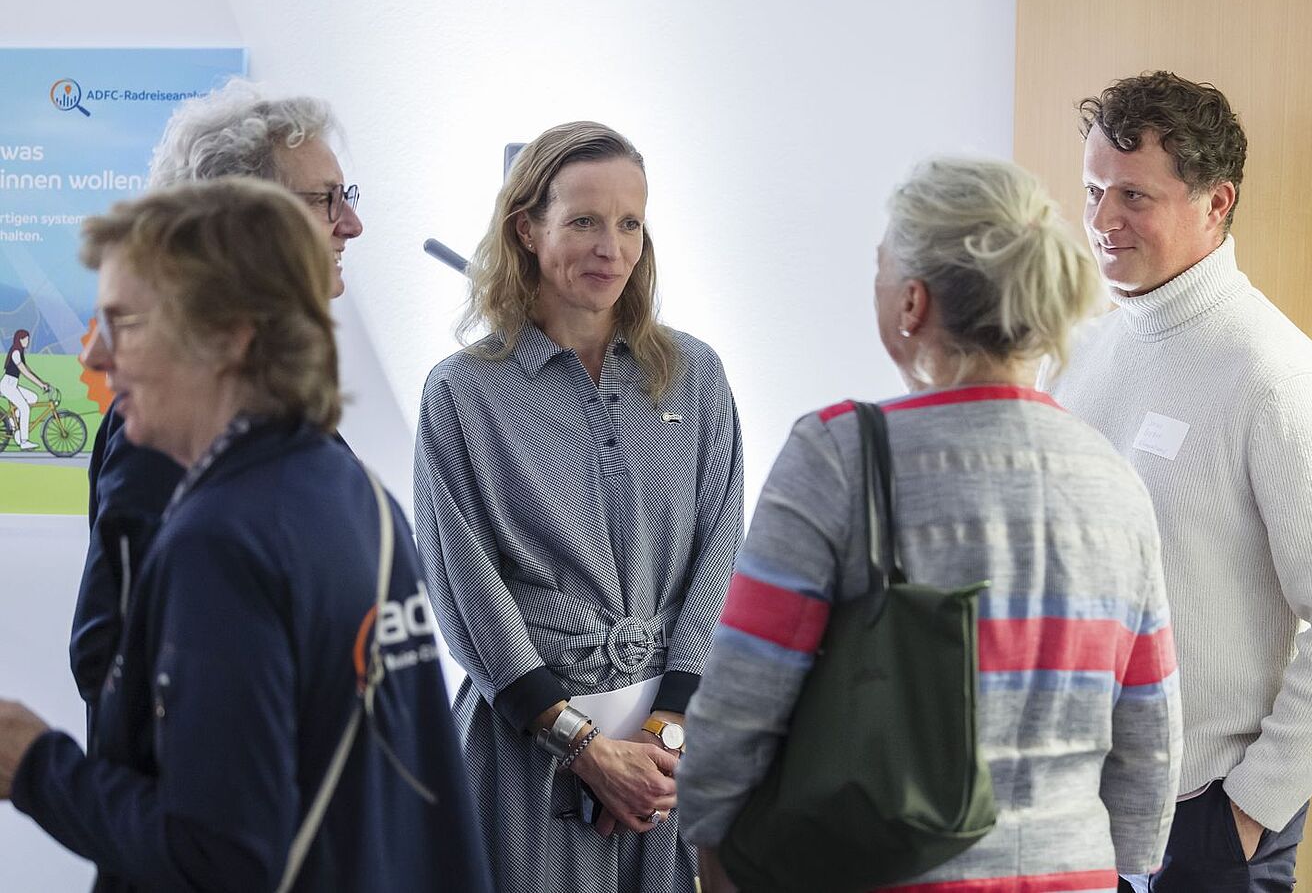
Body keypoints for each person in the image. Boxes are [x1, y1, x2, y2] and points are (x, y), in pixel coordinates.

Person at [678, 157, 1182, 892]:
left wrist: (710, 837)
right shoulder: (1115, 480)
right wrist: (1127, 865)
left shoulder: (839, 456)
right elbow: (1149, 728)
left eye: (881, 267)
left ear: (912, 302)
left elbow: (742, 695)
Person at [0, 179, 488, 892]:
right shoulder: (356, 492)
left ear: (230, 334)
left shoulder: (219, 541)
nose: (96, 359)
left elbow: (222, 858)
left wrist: (35, 766)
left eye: (125, 323)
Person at [1048, 71, 1312, 892]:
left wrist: (1246, 812)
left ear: (1216, 203)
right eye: (1095, 189)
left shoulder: (1275, 376)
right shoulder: (1087, 352)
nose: (1101, 221)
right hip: (1074, 810)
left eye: (1134, 195)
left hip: (1203, 824)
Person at [415, 120, 744, 892]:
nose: (613, 248)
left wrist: (662, 734)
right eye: (585, 222)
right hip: (524, 758)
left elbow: (721, 553)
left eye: (630, 223)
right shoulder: (463, 393)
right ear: (526, 228)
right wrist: (586, 748)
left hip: (667, 764)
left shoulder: (695, 376)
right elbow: (468, 592)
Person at [70, 79, 365, 725]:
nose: (352, 224)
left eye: (348, 197)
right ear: (245, 225)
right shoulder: (168, 424)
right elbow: (109, 661)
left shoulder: (278, 400)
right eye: (325, 201)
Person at [1, 329, 53, 450]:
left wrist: (42, 382)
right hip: (7, 385)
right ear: (20, 339)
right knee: (24, 408)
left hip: (12, 385)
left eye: (28, 339)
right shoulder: (15, 352)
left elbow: (28, 370)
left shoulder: (19, 351)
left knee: (33, 398)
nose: (28, 341)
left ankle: (11, 421)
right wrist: (40, 385)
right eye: (26, 339)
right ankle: (24, 441)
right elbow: (24, 372)